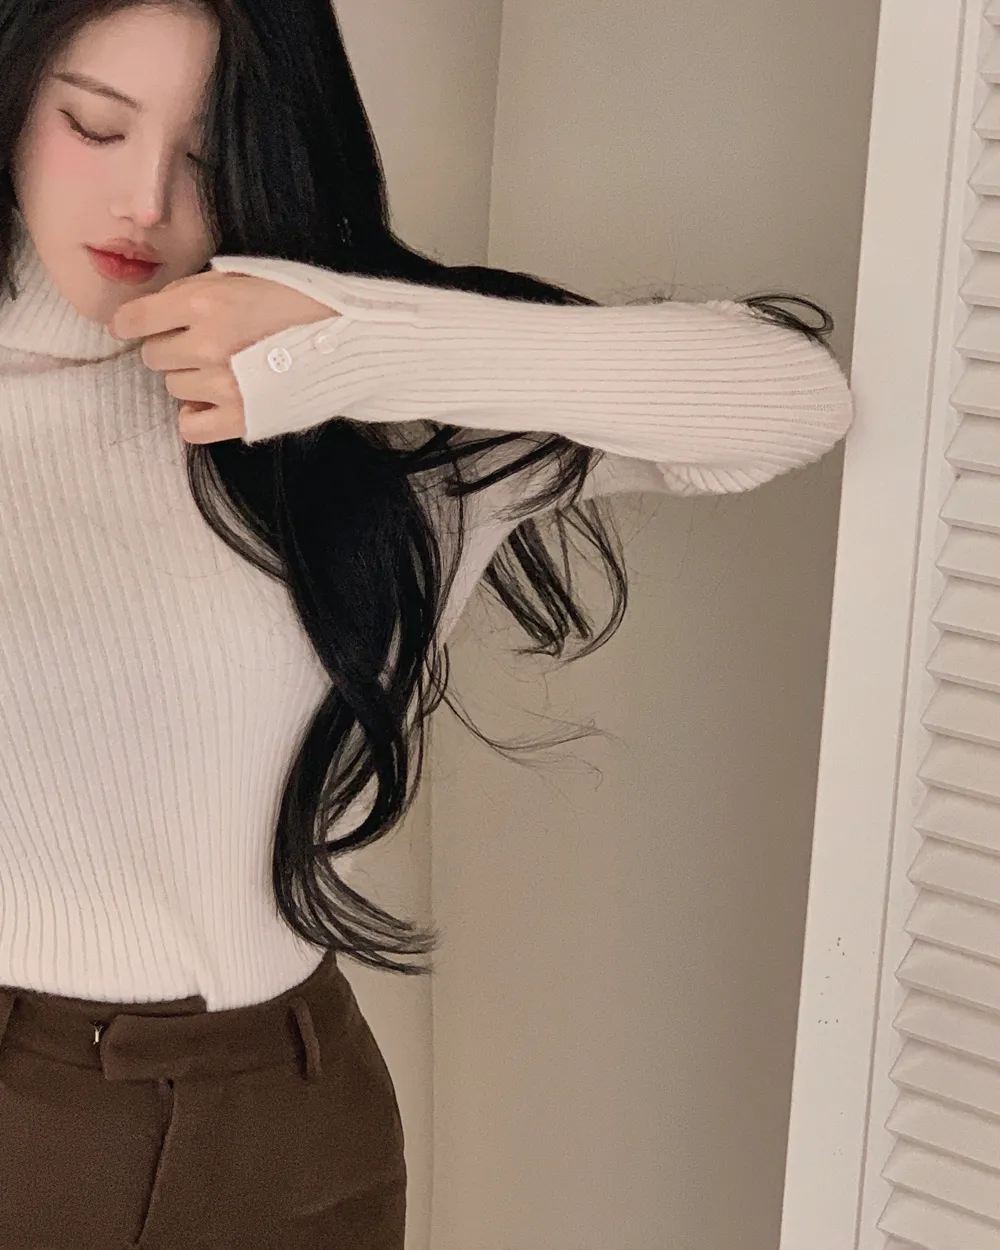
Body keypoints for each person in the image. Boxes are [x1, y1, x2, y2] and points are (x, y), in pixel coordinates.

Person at [0, 0, 855, 1244]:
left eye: (210, 150)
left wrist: (356, 347)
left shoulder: (372, 413)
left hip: (299, 1119)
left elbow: (794, 401)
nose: (145, 200)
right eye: (93, 125)